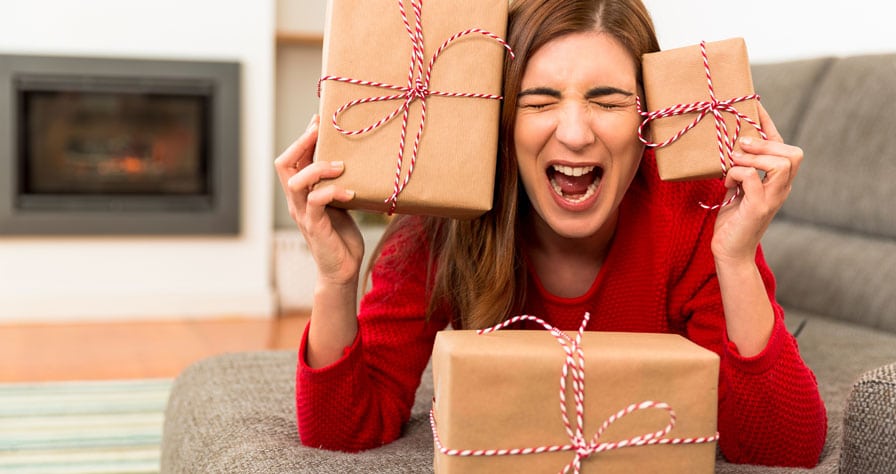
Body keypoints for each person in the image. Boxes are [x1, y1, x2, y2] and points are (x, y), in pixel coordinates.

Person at [275, 0, 827, 467]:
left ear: (648, 121)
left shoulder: (694, 207)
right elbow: (340, 434)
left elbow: (783, 449)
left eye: (607, 101)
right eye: (538, 101)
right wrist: (336, 279)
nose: (575, 132)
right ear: (499, 120)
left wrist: (735, 259)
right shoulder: (440, 223)